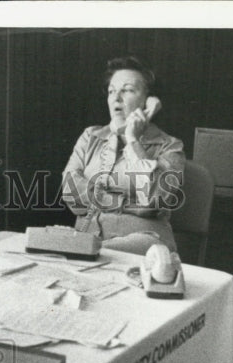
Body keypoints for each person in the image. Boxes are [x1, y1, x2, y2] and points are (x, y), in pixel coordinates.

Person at [61, 56, 184, 254]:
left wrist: (132, 139)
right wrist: (127, 204)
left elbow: (153, 199)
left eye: (127, 90)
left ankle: (98, 250)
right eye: (111, 91)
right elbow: (71, 193)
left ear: (148, 101)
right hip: (85, 242)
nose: (116, 98)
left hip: (143, 247)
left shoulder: (170, 146)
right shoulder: (90, 137)